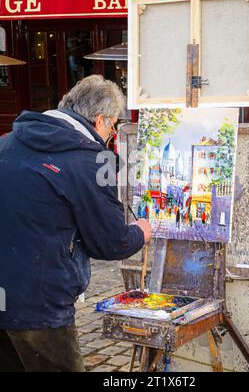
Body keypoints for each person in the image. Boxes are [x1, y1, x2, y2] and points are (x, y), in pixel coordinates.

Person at [0, 75, 151, 372]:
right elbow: (111, 242)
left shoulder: (6, 142)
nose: (111, 137)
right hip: (39, 303)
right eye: (112, 128)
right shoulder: (89, 160)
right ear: (99, 120)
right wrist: (141, 232)